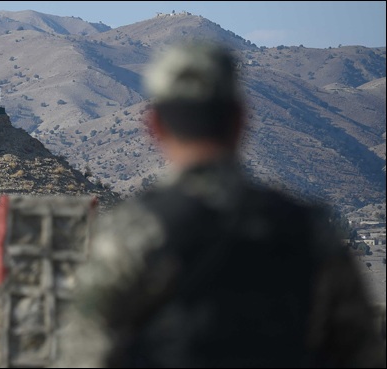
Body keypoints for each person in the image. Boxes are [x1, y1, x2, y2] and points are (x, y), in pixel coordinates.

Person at [64, 43, 384, 367]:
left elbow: (84, 354)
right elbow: (361, 352)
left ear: (155, 126)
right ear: (241, 119)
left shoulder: (131, 234)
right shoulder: (311, 231)